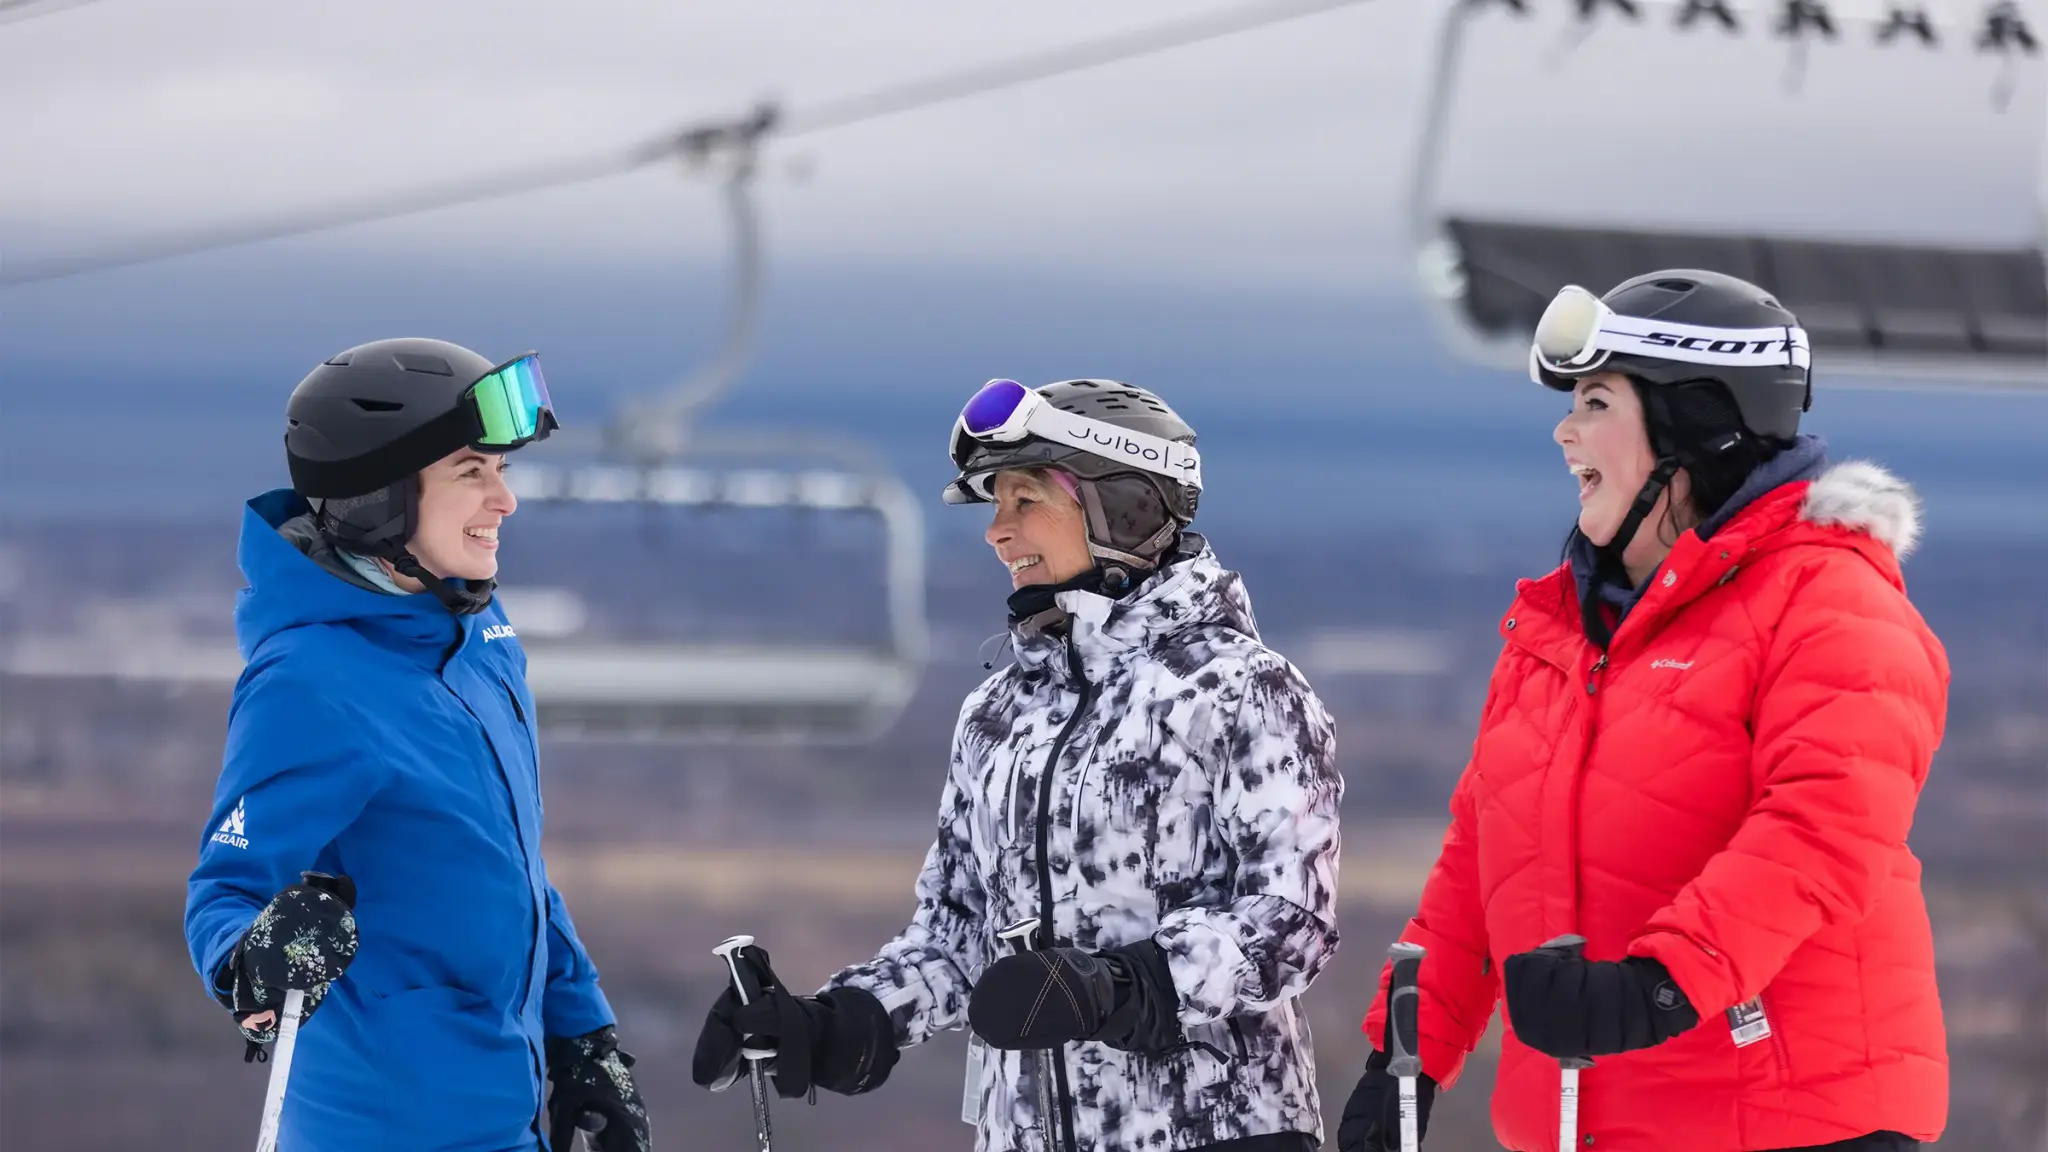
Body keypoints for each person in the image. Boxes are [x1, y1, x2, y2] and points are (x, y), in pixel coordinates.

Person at [1336, 270, 1950, 1152]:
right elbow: (1483, 861)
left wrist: (1661, 985)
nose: (1564, 430)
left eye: (1594, 402)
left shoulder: (1828, 598)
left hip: (1794, 1121)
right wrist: (1403, 1066)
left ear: (1692, 424)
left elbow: (1825, 827)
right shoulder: (1564, 632)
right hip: (1588, 1126)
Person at [690, 378, 1345, 1152]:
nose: (998, 533)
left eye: (1024, 500)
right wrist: (845, 1020)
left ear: (1122, 507)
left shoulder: (1239, 688)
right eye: (995, 505)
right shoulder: (1000, 712)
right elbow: (961, 932)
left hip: (1217, 1133)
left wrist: (1125, 987)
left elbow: (1290, 921)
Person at [183, 338, 650, 1152]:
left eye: (502, 471)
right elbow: (224, 892)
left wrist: (584, 1035)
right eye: (473, 470)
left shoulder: (479, 640)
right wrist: (253, 961)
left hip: (504, 1120)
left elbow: (515, 872)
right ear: (381, 500)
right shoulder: (313, 680)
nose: (504, 500)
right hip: (383, 1131)